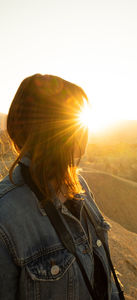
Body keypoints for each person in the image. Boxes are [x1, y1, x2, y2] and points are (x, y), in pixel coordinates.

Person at [0, 74, 124, 300]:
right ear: (50, 131)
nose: (85, 133)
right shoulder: (6, 217)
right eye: (75, 123)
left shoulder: (79, 187)